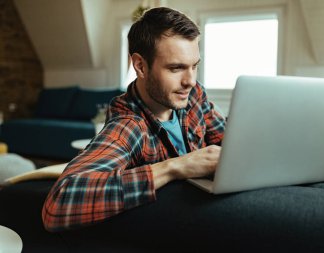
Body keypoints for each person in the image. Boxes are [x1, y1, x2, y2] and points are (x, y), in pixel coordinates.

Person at [42, 7, 226, 232]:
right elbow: (60, 202)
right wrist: (174, 167)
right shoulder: (128, 125)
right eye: (176, 68)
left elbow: (228, 139)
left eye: (194, 66)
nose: (190, 80)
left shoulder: (195, 95)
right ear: (140, 66)